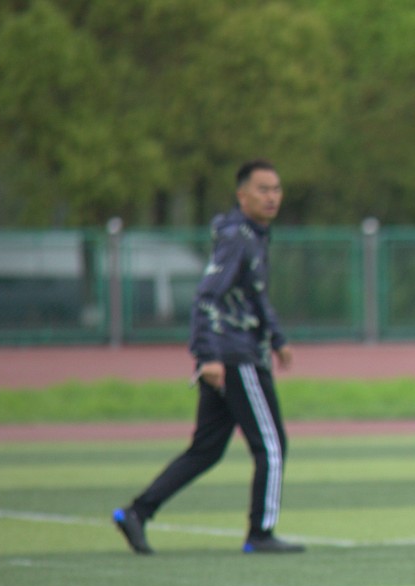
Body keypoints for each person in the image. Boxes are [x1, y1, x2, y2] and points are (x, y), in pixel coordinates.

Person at [112, 160, 302, 555]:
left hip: (234, 352)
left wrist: (278, 337)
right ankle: (260, 534)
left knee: (206, 450)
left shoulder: (254, 236)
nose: (272, 197)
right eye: (263, 189)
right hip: (235, 356)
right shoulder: (237, 238)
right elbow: (206, 297)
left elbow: (254, 294)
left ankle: (137, 512)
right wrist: (208, 355)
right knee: (271, 445)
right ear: (242, 195)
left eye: (276, 189)